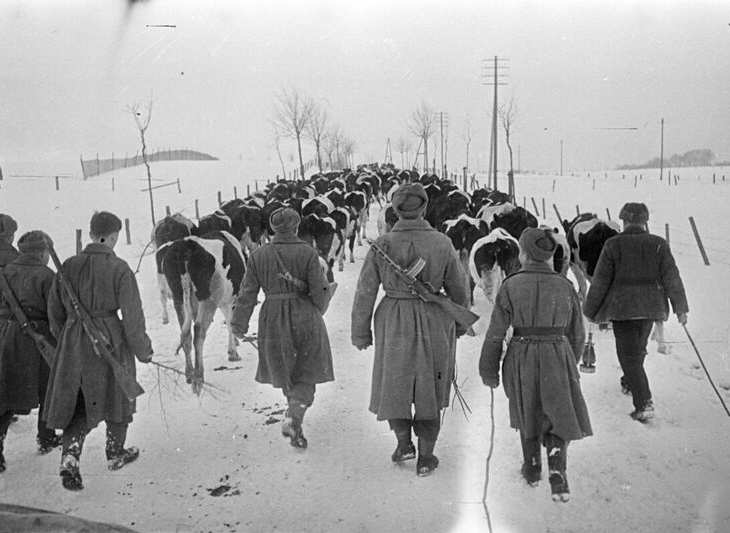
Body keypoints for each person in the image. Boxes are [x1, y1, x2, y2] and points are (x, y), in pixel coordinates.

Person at [351, 183, 470, 477]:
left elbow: (365, 291)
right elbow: (459, 289)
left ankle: (404, 443)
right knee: (430, 384)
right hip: (434, 320)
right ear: (425, 208)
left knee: (396, 383)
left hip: (393, 319)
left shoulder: (382, 244)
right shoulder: (442, 242)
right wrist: (458, 324)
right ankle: (427, 456)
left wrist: (361, 332)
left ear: (395, 210)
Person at [479, 227, 591, 502]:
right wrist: (570, 361)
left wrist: (489, 369)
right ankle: (557, 466)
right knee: (558, 412)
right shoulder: (566, 286)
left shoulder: (511, 285)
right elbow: (578, 332)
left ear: (524, 253)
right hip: (557, 353)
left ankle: (531, 467)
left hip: (522, 353)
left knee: (527, 409)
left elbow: (496, 332)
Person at [44, 211, 153, 490]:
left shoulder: (67, 265)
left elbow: (54, 312)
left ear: (92, 234)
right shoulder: (119, 268)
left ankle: (70, 455)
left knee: (79, 401)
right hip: (111, 341)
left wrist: (68, 338)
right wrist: (143, 350)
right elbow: (132, 317)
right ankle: (115, 452)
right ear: (114, 236)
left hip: (73, 341)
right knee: (117, 396)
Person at [231, 207, 334, 449]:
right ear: (297, 227)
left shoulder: (257, 256)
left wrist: (238, 323)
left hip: (273, 318)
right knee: (307, 370)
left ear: (273, 229)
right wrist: (319, 308)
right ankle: (295, 416)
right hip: (305, 316)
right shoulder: (308, 252)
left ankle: (293, 413)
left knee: (286, 368)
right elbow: (319, 291)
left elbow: (247, 293)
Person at [583, 202, 688, 422]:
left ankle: (644, 402)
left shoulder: (613, 245)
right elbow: (672, 277)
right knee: (637, 350)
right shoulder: (658, 244)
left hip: (623, 309)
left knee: (628, 356)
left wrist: (590, 310)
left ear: (624, 221)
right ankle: (630, 382)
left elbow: (601, 280)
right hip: (651, 309)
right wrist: (680, 308)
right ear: (645, 221)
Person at [0, 231, 60, 473]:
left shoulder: (1, 273)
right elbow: (55, 314)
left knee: (4, 389)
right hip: (35, 339)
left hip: (1, 336)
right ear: (42, 253)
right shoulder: (47, 276)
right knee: (48, 387)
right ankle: (46, 436)